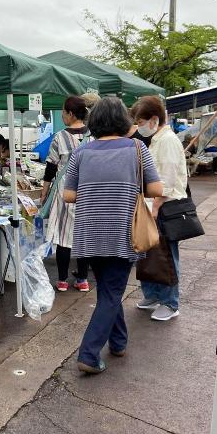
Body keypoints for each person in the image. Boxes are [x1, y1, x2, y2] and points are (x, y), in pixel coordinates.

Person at [63, 97, 163, 373]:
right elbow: (155, 189)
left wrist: (95, 189)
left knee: (108, 288)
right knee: (111, 292)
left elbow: (68, 194)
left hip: (89, 232)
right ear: (124, 121)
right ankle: (89, 354)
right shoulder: (137, 148)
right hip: (122, 232)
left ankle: (118, 342)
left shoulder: (81, 152)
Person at [132, 95, 189, 322]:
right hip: (151, 206)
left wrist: (154, 209)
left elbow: (167, 179)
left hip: (164, 207)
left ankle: (170, 302)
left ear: (154, 119)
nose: (139, 127)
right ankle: (153, 295)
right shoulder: (157, 139)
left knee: (165, 256)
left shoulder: (167, 141)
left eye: (141, 122)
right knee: (148, 254)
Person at [41, 95, 91, 292]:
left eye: (63, 112)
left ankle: (62, 280)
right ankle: (83, 280)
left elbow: (51, 168)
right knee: (84, 235)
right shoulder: (95, 136)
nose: (62, 115)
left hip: (65, 190)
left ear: (71, 113)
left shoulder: (60, 137)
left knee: (63, 237)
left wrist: (44, 192)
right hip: (88, 190)